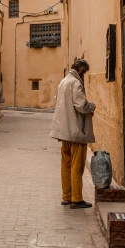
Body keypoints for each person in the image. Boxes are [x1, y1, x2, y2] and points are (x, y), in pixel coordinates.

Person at [50, 59, 95, 209]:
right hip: (76, 132)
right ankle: (76, 199)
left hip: (64, 132)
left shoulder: (63, 82)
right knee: (77, 166)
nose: (84, 76)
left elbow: (57, 101)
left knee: (66, 165)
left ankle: (66, 196)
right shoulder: (75, 83)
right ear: (81, 69)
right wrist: (92, 106)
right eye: (84, 72)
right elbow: (81, 105)